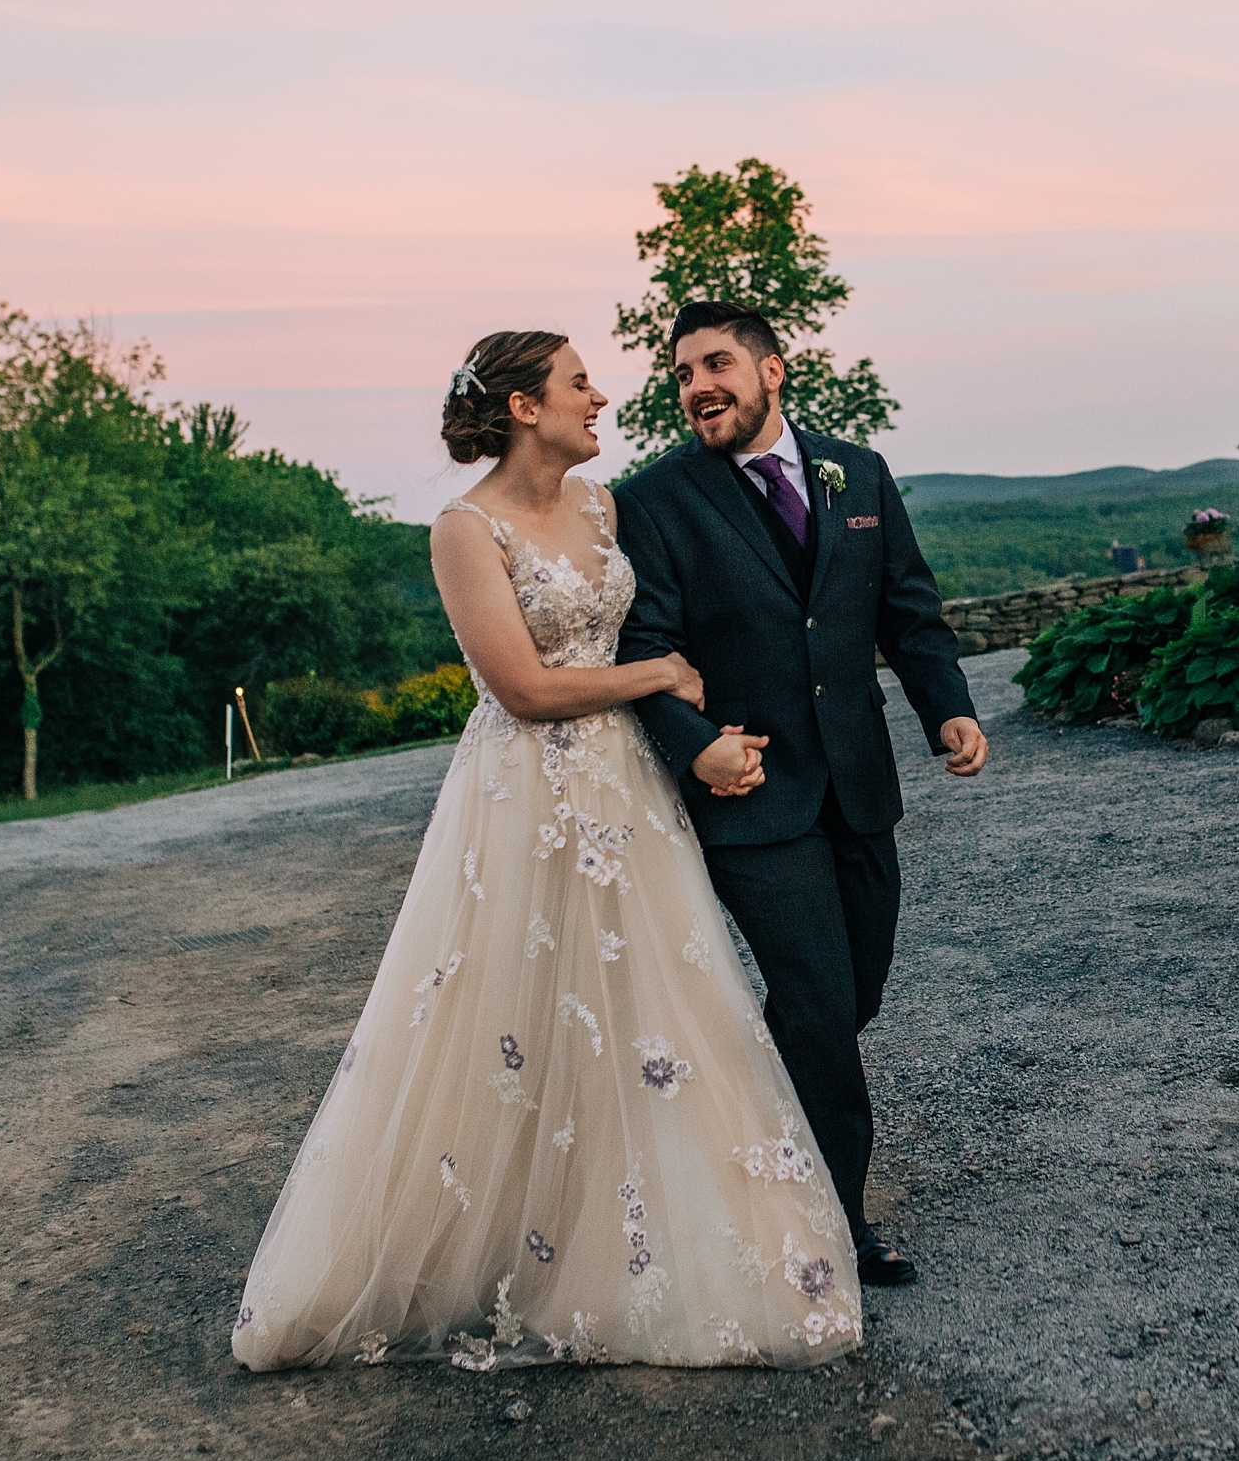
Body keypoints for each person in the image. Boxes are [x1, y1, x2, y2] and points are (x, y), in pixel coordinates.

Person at [231, 330, 860, 1373]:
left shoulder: (606, 507)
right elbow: (521, 689)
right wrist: (654, 677)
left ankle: (637, 1239)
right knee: (516, 1011)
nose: (599, 396)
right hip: (526, 797)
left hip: (629, 794)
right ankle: (486, 1239)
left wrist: (710, 730)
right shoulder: (462, 529)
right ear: (525, 406)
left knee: (654, 1012)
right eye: (578, 383)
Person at [612, 301, 985, 1289]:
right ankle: (831, 1220)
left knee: (851, 992)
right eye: (683, 371)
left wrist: (944, 708)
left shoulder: (855, 472)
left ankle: (742, 1122)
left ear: (773, 370)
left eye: (717, 363)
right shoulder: (653, 502)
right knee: (819, 1004)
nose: (697, 385)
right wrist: (697, 751)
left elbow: (908, 609)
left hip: (859, 785)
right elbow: (642, 651)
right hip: (751, 796)